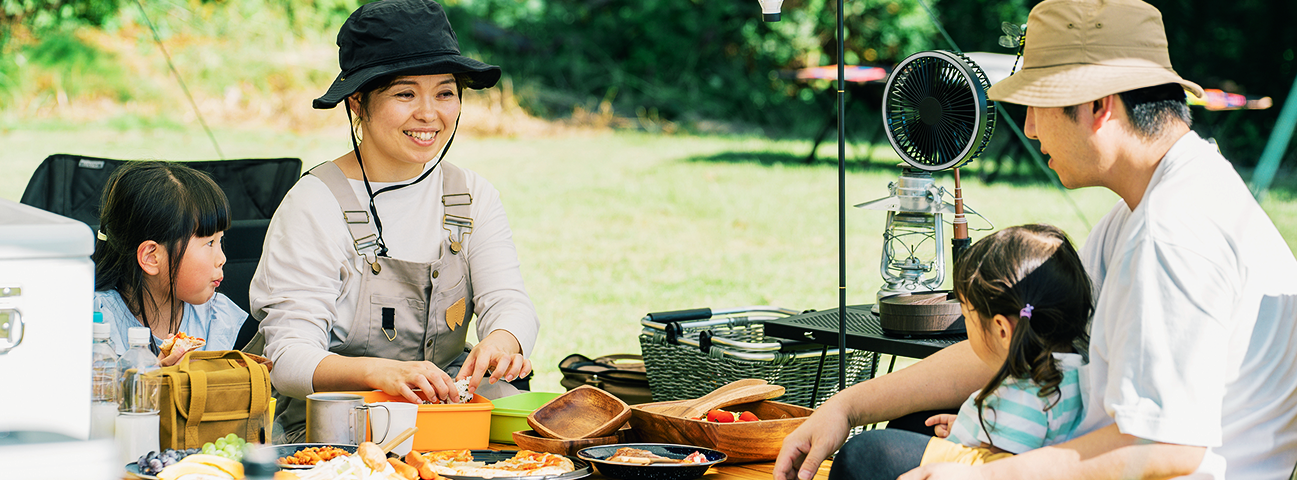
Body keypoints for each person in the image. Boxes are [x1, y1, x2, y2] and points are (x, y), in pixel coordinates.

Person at [774, 0, 1297, 478]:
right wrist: (846, 406)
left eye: (1036, 102)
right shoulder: (1153, 205)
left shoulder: (1173, 233)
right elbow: (1027, 341)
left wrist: (987, 475)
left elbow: (1165, 448)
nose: (1027, 127)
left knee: (870, 460)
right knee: (909, 425)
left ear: (1098, 104)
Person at [247, 0, 540, 443]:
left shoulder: (471, 194)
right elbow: (287, 360)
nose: (429, 113)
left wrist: (503, 340)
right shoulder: (314, 203)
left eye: (445, 93)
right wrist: (381, 373)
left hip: (449, 418)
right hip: (335, 429)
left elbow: (509, 301)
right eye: (405, 94)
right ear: (357, 103)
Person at [919, 225, 1090, 466]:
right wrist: (973, 426)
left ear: (1001, 329)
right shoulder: (1077, 374)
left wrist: (987, 428)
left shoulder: (1015, 397)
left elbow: (996, 468)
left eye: (967, 315)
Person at [92, 161, 245, 362]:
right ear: (151, 257)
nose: (222, 259)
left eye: (220, 241)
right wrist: (156, 377)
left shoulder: (215, 317)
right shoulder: (98, 319)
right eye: (209, 243)